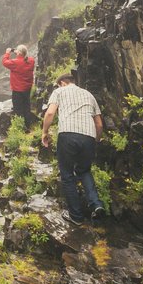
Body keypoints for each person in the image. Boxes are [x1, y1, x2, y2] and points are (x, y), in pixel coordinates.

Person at [41, 73, 105, 225]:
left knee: (67, 175)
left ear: (62, 83)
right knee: (84, 171)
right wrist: (95, 140)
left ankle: (76, 216)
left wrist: (44, 132)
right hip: (88, 136)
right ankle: (96, 204)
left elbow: (50, 113)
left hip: (68, 135)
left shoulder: (59, 92)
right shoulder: (89, 95)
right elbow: (99, 124)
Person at [2, 45, 36, 128]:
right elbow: (26, 58)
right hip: (27, 88)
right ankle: (28, 125)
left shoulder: (15, 62)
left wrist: (7, 53)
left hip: (17, 90)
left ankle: (21, 127)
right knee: (26, 107)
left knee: (18, 109)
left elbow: (5, 62)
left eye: (17, 50)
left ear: (19, 52)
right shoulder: (31, 61)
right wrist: (18, 52)